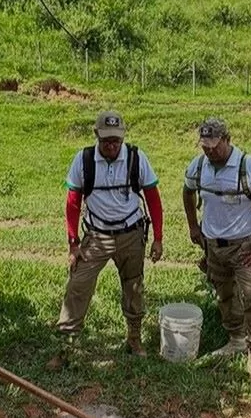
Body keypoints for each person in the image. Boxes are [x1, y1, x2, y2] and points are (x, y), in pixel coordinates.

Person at [47, 110, 164, 369]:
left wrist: (158, 238)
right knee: (77, 285)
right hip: (96, 235)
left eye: (116, 141)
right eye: (106, 141)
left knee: (133, 287)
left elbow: (153, 198)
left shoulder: (136, 157)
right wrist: (73, 243)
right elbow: (72, 203)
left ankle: (134, 338)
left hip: (131, 234)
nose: (111, 146)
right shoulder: (84, 160)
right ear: (96, 136)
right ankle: (67, 346)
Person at [183, 118, 251, 387]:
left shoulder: (248, 166)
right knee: (223, 291)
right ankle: (236, 338)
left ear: (227, 139)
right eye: (205, 147)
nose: (210, 152)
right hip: (212, 244)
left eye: (214, 146)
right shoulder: (199, 165)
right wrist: (194, 225)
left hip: (244, 246)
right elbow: (187, 191)